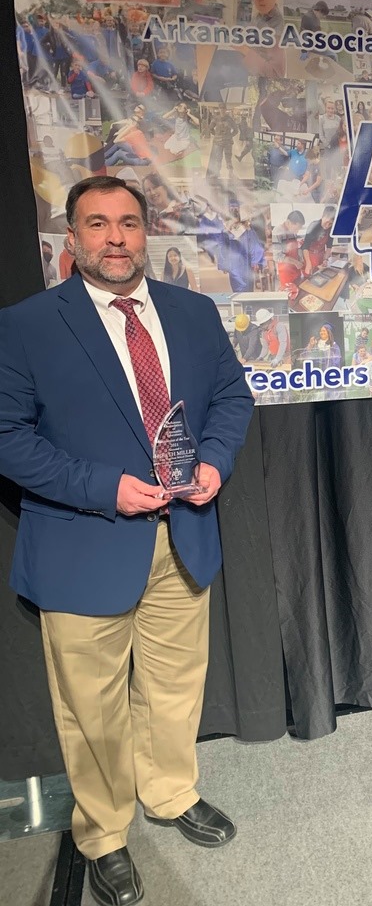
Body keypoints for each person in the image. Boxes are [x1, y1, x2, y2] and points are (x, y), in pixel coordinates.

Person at [0, 176, 253, 906]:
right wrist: (102, 487)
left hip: (184, 538)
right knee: (92, 708)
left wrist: (215, 462)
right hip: (84, 546)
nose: (115, 237)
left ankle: (170, 792)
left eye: (128, 223)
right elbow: (8, 438)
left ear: (146, 233)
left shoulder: (193, 311)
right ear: (71, 238)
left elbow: (231, 398)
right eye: (97, 223)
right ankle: (104, 834)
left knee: (175, 686)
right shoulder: (26, 325)